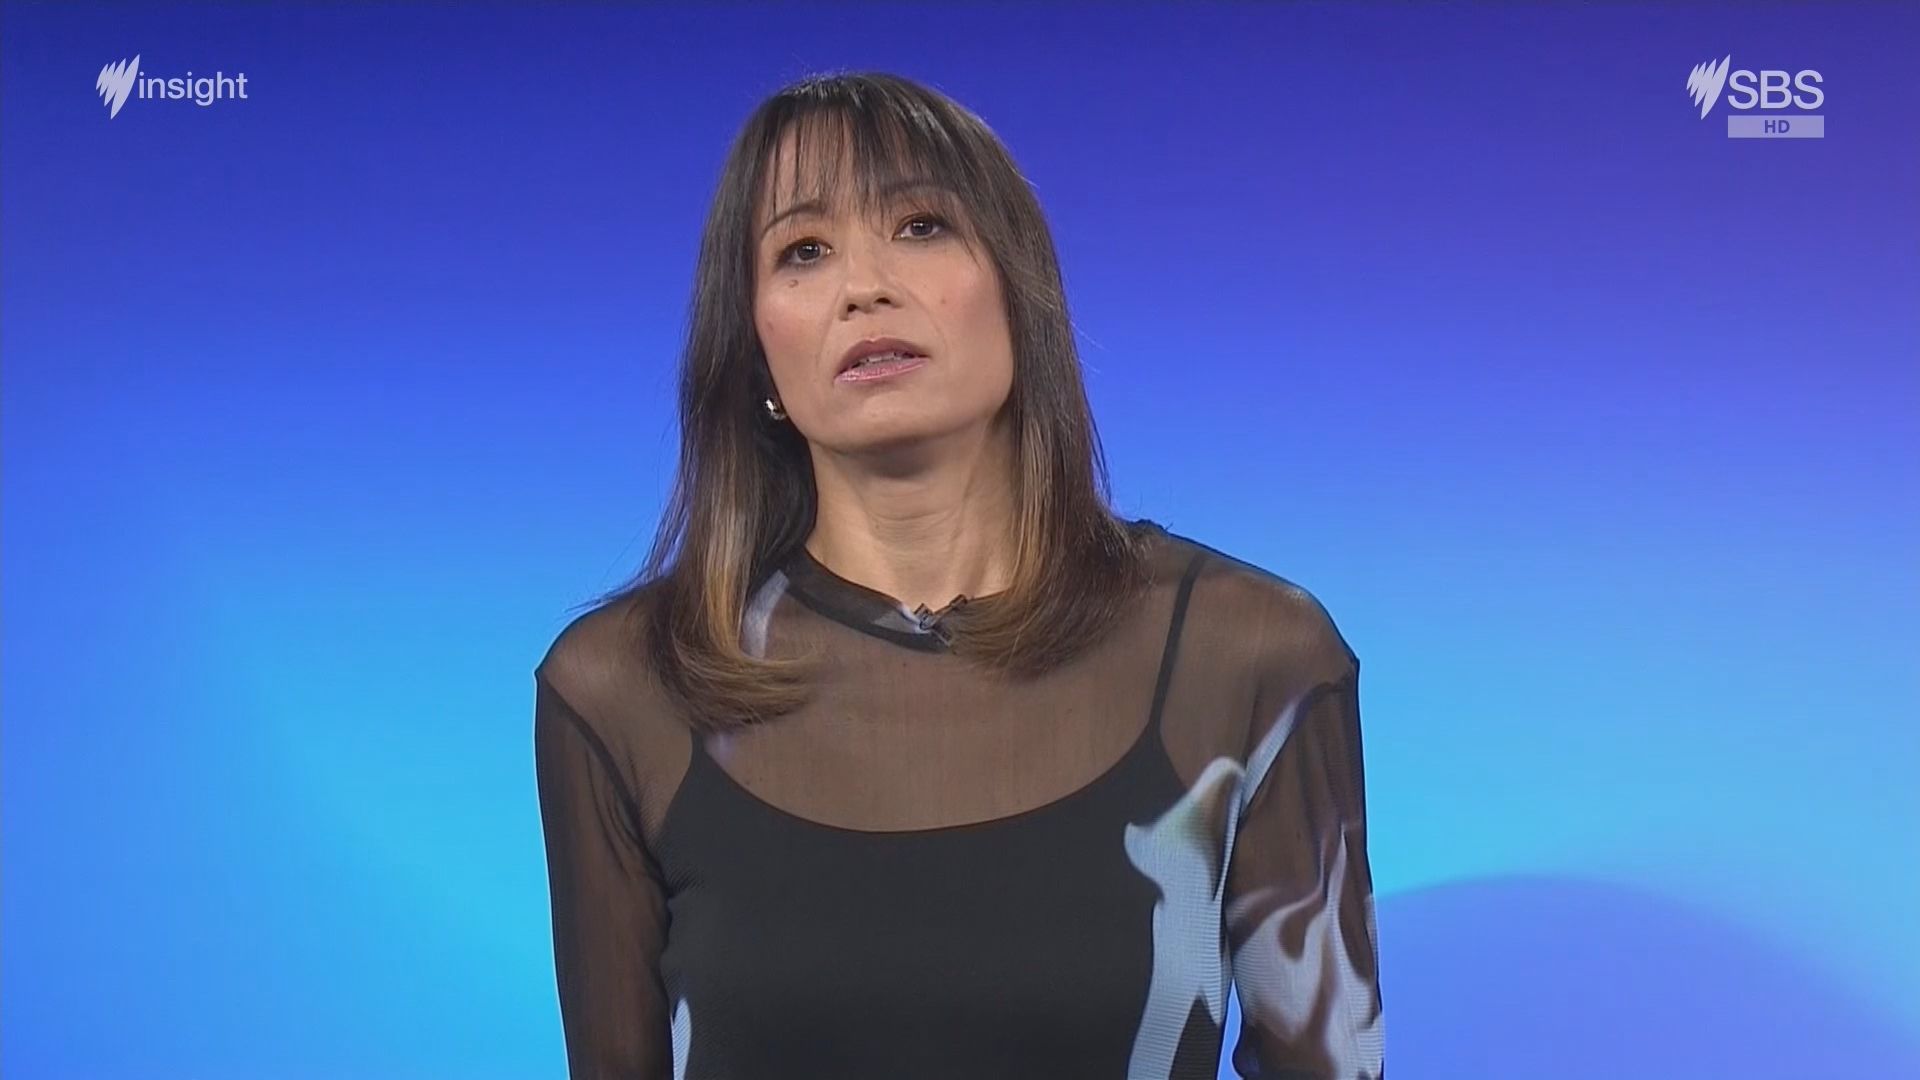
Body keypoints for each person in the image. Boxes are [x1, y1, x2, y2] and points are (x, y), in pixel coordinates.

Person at [532, 70, 1386, 1080]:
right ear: (757, 357)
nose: (864, 286)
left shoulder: (1249, 655)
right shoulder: (622, 686)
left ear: (1021, 295)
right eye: (804, 251)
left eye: (920, 226)